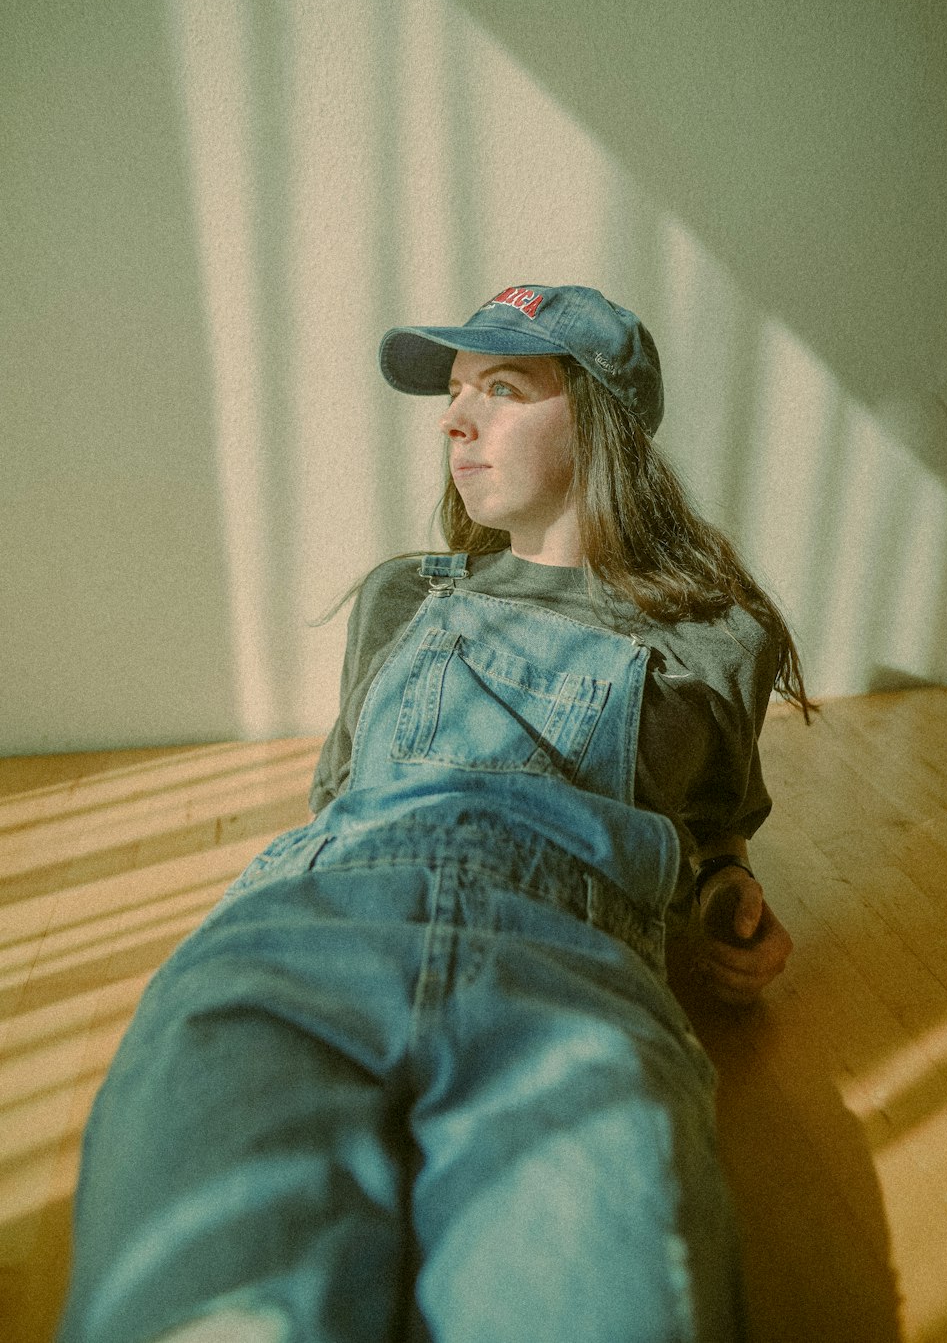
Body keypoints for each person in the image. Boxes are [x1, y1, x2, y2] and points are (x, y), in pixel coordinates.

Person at [58, 284, 812, 1343]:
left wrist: (727, 900)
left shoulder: (718, 633)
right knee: (206, 1302)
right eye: (455, 393)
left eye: (500, 389)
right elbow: (339, 795)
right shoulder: (404, 598)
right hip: (306, 935)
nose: (456, 419)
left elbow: (711, 824)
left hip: (569, 968)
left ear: (601, 419)